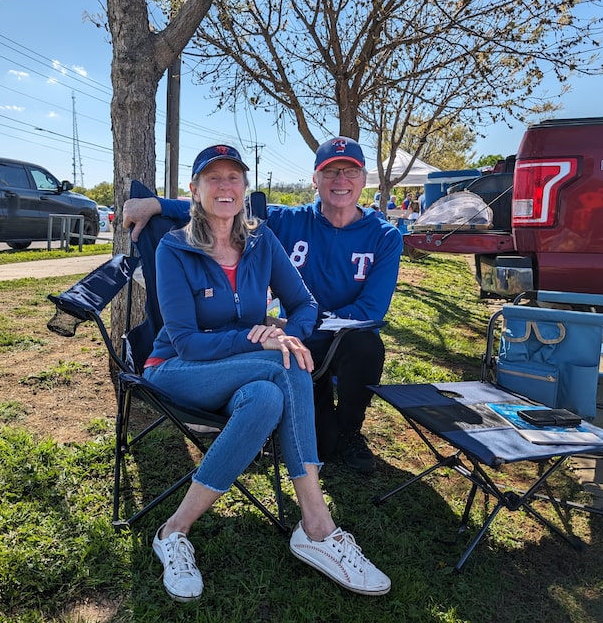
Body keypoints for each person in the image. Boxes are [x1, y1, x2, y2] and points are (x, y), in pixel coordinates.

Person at [144, 144, 391, 603]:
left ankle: (174, 530)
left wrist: (290, 333)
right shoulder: (173, 248)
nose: (224, 186)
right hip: (178, 369)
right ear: (194, 191)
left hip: (245, 374)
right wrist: (263, 340)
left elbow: (305, 305)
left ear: (244, 188)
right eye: (212, 178)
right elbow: (186, 343)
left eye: (233, 178)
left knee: (268, 397)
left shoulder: (261, 241)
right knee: (284, 362)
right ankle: (317, 526)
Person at [124, 137, 403, 473]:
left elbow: (370, 311)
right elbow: (223, 209)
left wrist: (292, 331)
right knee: (317, 438)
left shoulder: (385, 236)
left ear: (363, 179)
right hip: (284, 346)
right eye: (330, 173)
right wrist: (157, 205)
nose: (340, 181)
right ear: (315, 179)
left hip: (321, 339)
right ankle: (311, 470)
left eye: (350, 172)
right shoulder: (288, 221)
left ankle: (350, 432)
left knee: (366, 343)